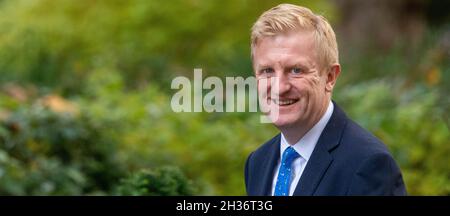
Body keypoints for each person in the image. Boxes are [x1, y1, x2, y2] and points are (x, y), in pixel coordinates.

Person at [244, 3, 407, 196]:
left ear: (330, 77)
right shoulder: (258, 162)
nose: (280, 87)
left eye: (296, 70)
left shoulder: (368, 165)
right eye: (267, 71)